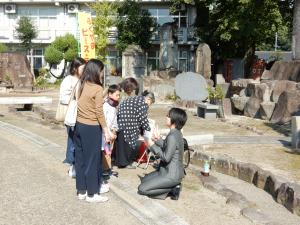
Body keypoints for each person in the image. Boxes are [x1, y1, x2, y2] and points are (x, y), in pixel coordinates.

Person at [74, 59, 111, 203]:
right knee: (92, 161)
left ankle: (82, 191)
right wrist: (106, 130)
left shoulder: (81, 84)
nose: (102, 73)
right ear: (96, 71)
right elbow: (98, 112)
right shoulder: (97, 88)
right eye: (101, 70)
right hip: (91, 127)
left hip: (79, 125)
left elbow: (84, 103)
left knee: (81, 159)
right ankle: (92, 194)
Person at [138, 107, 188, 200]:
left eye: (168, 116)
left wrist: (152, 145)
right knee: (144, 179)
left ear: (174, 120)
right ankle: (171, 186)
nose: (166, 117)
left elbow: (166, 158)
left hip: (171, 174)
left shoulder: (172, 136)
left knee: (142, 189)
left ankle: (172, 189)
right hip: (166, 170)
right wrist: (158, 140)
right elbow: (169, 146)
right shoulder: (176, 133)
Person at [115, 90, 155, 169]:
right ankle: (124, 163)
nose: (149, 105)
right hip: (128, 125)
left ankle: (119, 161)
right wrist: (149, 129)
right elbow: (143, 118)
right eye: (151, 103)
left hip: (120, 122)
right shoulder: (143, 103)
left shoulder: (134, 98)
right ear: (149, 99)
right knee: (127, 144)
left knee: (121, 144)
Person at [60, 57, 86, 177]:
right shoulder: (68, 80)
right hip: (72, 115)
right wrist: (75, 98)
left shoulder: (83, 80)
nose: (84, 70)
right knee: (72, 141)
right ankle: (72, 165)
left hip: (81, 114)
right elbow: (63, 98)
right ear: (75, 68)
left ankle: (77, 165)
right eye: (82, 68)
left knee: (78, 141)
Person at [101, 84, 121, 177]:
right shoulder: (105, 106)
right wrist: (108, 133)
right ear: (110, 94)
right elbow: (104, 120)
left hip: (111, 132)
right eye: (116, 95)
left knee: (109, 151)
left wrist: (114, 131)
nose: (118, 97)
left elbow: (114, 120)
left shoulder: (113, 106)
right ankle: (105, 170)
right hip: (105, 133)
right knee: (106, 151)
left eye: (119, 95)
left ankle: (108, 169)